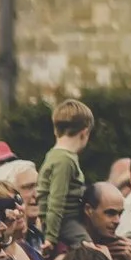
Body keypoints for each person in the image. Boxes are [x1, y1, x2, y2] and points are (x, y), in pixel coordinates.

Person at [40, 102, 94, 251]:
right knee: (91, 252)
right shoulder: (64, 160)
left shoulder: (55, 155)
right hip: (64, 221)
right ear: (84, 133)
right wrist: (50, 237)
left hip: (65, 219)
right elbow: (56, 199)